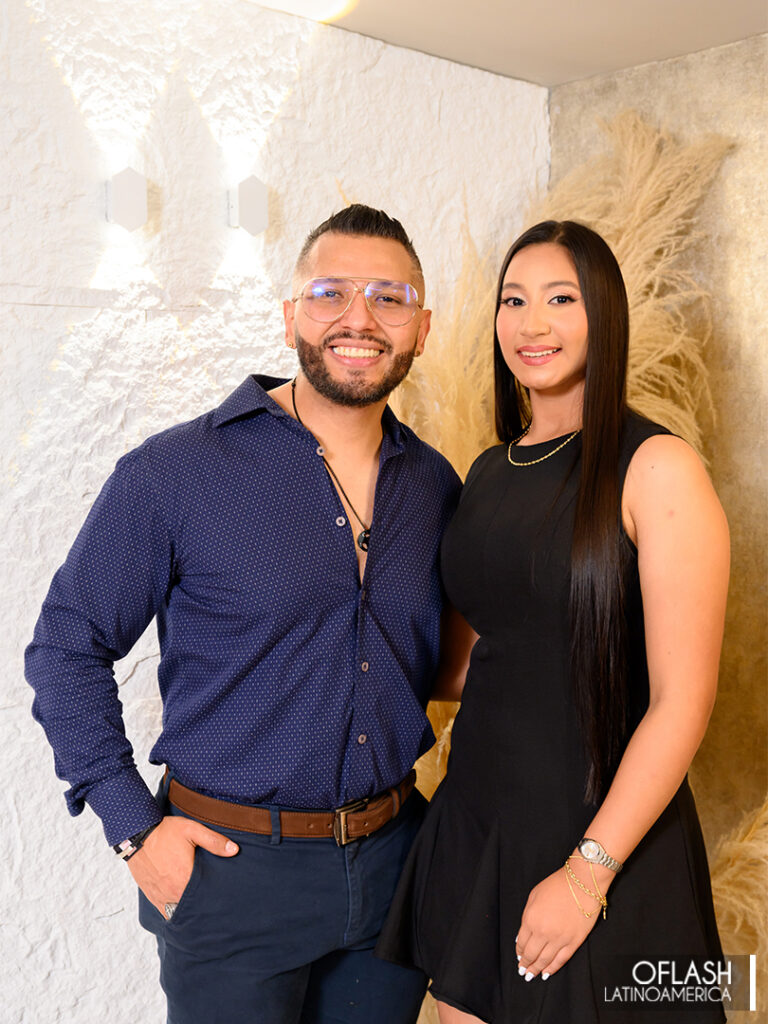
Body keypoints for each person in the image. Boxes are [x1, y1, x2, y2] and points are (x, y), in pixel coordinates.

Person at [25, 204, 462, 1024]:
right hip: (230, 875)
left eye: (389, 297)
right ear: (291, 315)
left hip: (395, 870)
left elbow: (439, 657)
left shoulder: (436, 485)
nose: (360, 318)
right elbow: (65, 648)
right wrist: (133, 828)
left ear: (422, 327)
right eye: (330, 293)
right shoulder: (174, 472)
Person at [376, 220, 730, 1023]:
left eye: (561, 299)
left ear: (605, 314)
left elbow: (684, 702)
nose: (532, 323)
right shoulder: (489, 470)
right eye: (514, 300)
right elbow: (476, 660)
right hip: (476, 825)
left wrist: (586, 874)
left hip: (607, 839)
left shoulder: (658, 466)